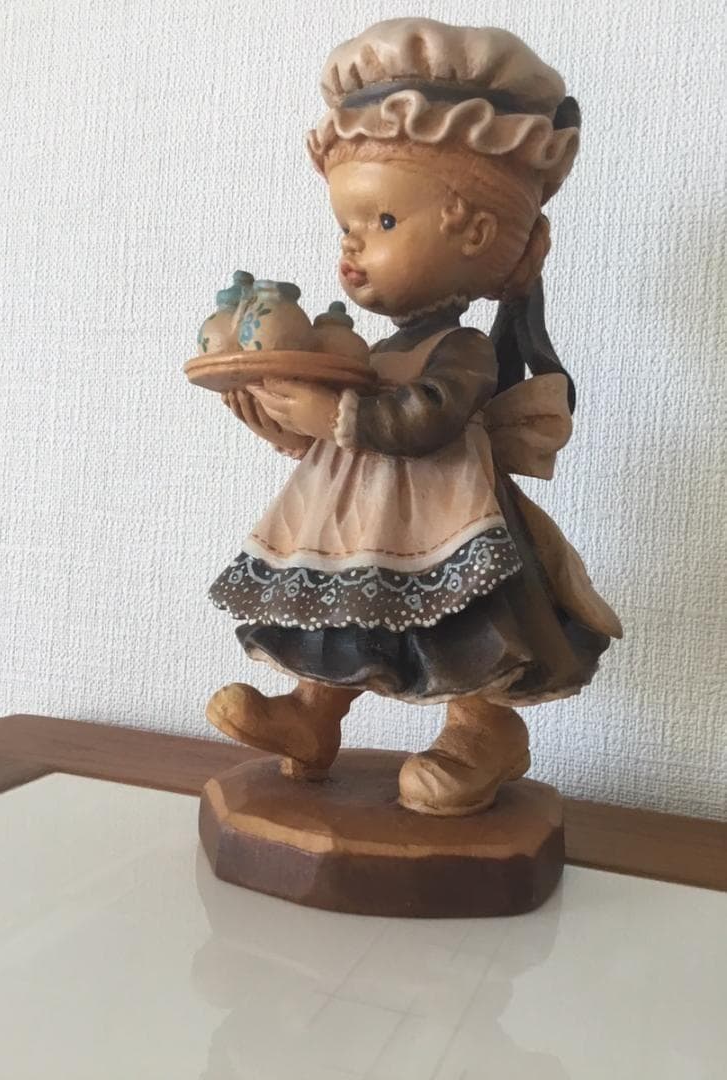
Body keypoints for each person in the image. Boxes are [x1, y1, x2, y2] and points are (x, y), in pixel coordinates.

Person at [205, 18, 622, 816]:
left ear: (477, 233)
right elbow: (339, 443)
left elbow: (425, 418)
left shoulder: (461, 349)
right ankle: (313, 717)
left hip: (445, 522)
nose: (353, 248)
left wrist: (337, 413)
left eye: (384, 223)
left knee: (462, 627)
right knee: (341, 613)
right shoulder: (369, 353)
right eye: (348, 226)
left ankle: (483, 732)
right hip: (362, 522)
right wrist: (277, 417)